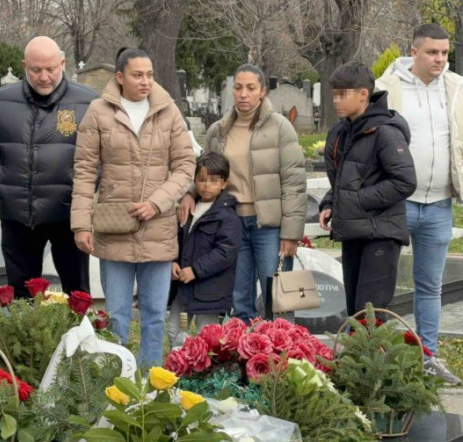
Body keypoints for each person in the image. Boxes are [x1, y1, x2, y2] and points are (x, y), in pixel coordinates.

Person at [375, 23, 463, 386]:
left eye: (444, 53)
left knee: (430, 286)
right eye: (432, 52)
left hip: (439, 203)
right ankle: (373, 357)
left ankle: (428, 357)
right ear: (414, 51)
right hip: (397, 203)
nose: (440, 59)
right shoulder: (386, 88)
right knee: (380, 286)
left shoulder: (457, 88)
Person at [71, 48, 195, 368]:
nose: (145, 81)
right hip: (115, 228)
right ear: (119, 77)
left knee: (154, 314)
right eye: (137, 75)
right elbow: (84, 170)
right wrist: (81, 224)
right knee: (117, 315)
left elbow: (185, 165)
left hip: (158, 228)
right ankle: (116, 379)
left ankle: (151, 377)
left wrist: (157, 202)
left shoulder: (168, 110)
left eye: (149, 75)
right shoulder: (99, 112)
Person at [0, 37, 96, 298]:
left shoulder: (88, 103)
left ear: (62, 63)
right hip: (18, 214)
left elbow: (104, 154)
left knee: (77, 295)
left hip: (68, 213)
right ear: (24, 66)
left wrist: (84, 189)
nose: (44, 77)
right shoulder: (2, 100)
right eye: (36, 70)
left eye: (51, 69)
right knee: (21, 297)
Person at [179, 64, 306, 322]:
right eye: (238, 88)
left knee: (278, 299)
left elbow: (294, 182)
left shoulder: (280, 128)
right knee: (240, 299)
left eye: (250, 88)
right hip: (232, 223)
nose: (243, 94)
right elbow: (207, 170)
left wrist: (291, 233)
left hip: (269, 226)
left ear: (263, 91)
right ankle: (245, 345)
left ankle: (282, 348)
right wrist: (191, 193)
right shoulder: (218, 131)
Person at [318, 62, 416, 317]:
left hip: (381, 233)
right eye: (334, 94)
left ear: (363, 94)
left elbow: (404, 181)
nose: (336, 101)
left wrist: (357, 201)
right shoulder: (340, 132)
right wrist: (330, 203)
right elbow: (345, 178)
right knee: (355, 314)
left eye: (343, 94)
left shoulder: (386, 131)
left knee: (370, 315)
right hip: (354, 231)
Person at [168, 152, 242, 345]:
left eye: (213, 181)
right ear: (194, 181)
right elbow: (175, 238)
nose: (207, 185)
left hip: (210, 293)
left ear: (224, 183)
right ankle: (177, 362)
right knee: (175, 332)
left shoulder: (227, 216)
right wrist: (173, 261)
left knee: (207, 338)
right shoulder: (187, 209)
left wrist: (195, 270)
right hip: (183, 290)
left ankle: (204, 365)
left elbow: (225, 252)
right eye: (201, 180)